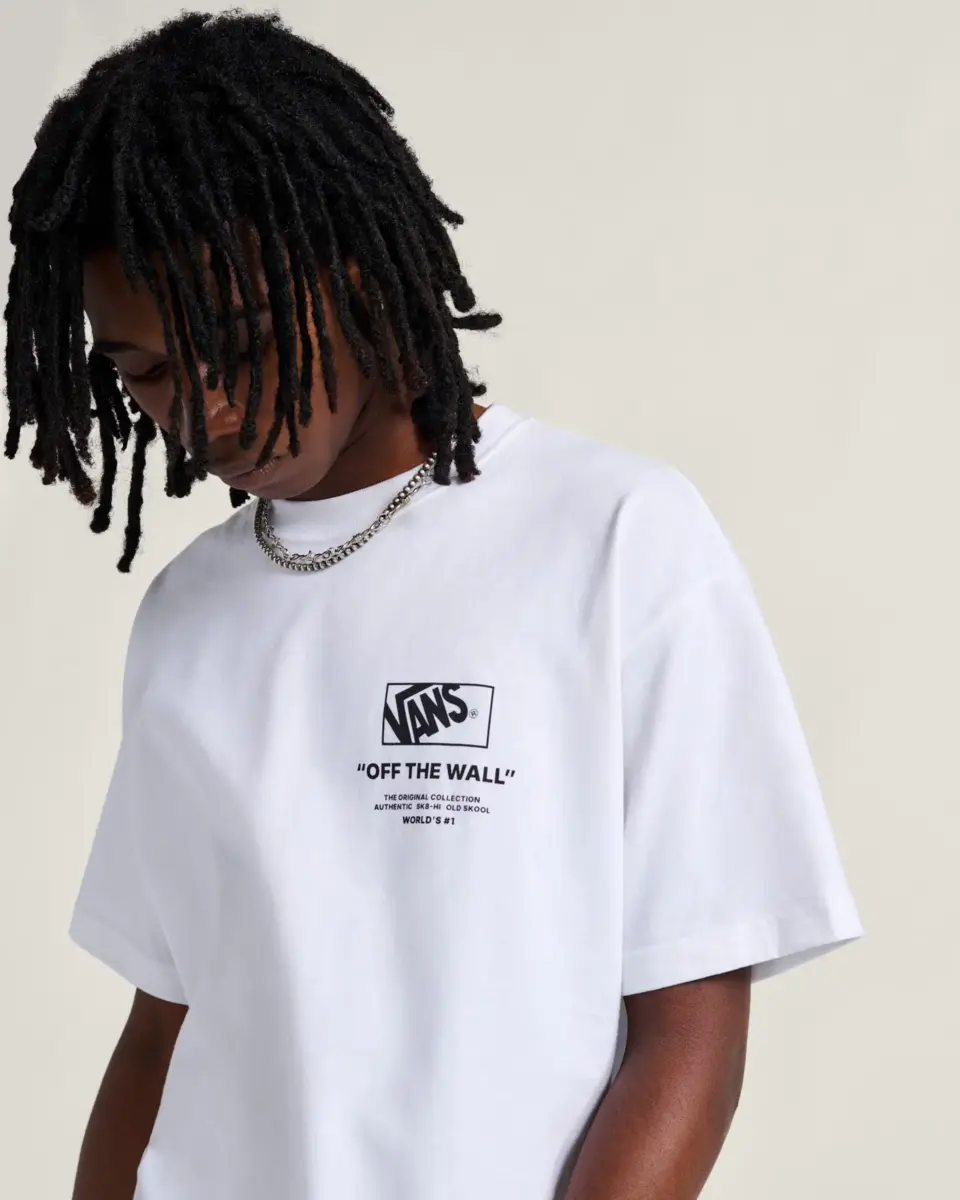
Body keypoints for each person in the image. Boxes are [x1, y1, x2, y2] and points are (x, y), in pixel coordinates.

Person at [4, 11, 862, 1200]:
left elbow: (690, 1023)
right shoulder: (186, 614)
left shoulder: (613, 536)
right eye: (147, 372)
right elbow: (163, 1029)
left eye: (241, 343)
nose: (205, 412)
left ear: (355, 268)